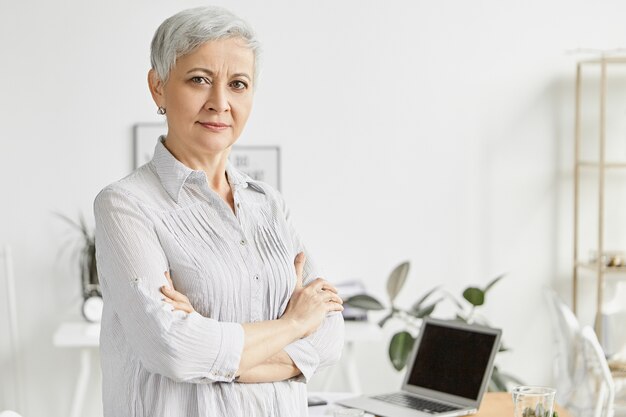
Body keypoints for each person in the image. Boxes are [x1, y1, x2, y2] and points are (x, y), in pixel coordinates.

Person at [94, 6, 345, 417]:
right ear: (158, 87)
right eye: (199, 80)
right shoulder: (125, 205)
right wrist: (293, 325)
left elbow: (330, 334)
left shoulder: (269, 205)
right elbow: (173, 350)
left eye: (238, 84)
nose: (220, 103)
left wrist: (214, 349)